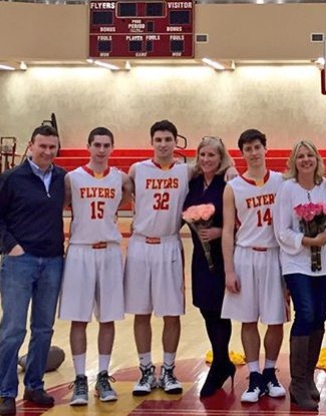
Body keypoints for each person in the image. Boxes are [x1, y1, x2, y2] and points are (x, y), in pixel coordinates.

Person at [0, 125, 67, 415]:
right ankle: (7, 393)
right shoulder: (10, 178)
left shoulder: (61, 178)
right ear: (30, 145)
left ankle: (34, 385)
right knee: (13, 330)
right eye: (42, 146)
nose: (47, 152)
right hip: (19, 263)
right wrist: (11, 245)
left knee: (43, 329)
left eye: (52, 147)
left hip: (53, 262)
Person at [59, 127, 133, 406]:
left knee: (108, 317)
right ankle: (80, 378)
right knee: (79, 318)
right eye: (97, 145)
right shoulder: (72, 178)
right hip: (80, 250)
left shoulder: (120, 178)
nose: (101, 150)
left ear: (112, 148)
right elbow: (61, 205)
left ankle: (103, 374)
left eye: (106, 145)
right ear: (88, 147)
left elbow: (127, 196)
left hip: (110, 251)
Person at [125, 120, 191, 396]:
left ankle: (168, 369)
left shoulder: (187, 171)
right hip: (140, 245)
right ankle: (144, 370)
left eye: (168, 139)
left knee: (171, 312)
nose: (163, 144)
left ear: (176, 142)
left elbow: (222, 166)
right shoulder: (137, 170)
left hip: (169, 245)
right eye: (158, 139)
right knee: (141, 312)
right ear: (152, 142)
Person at [221, 129, 287, 403]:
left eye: (257, 146)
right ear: (242, 153)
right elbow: (227, 231)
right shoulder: (233, 186)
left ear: (265, 149)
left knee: (275, 318)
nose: (254, 152)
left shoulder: (282, 182)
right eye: (248, 149)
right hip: (245, 255)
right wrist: (229, 270)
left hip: (274, 255)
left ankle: (270, 371)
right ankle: (254, 375)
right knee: (248, 319)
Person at [273, 140, 326, 410]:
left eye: (310, 155)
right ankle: (297, 383)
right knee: (306, 313)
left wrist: (324, 237)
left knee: (320, 316)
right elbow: (282, 231)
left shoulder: (324, 186)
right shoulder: (287, 188)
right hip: (296, 263)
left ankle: (308, 378)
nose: (306, 160)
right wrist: (308, 242)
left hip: (325, 263)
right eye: (301, 156)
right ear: (293, 161)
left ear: (317, 159)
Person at [183, 136, 235, 398]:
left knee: (220, 310)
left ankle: (220, 364)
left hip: (222, 253)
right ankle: (223, 361)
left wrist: (219, 231)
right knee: (206, 309)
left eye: (211, 155)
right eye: (202, 155)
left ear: (221, 157)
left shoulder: (227, 180)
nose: (206, 160)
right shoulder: (192, 181)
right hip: (200, 258)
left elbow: (238, 218)